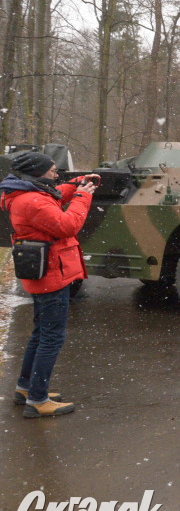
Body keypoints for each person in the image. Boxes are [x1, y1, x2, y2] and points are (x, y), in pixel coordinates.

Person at [0, 152, 97, 418]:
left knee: (40, 334)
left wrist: (76, 183)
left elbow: (53, 195)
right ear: (37, 173)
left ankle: (25, 388)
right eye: (53, 171)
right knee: (52, 338)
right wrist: (83, 196)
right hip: (52, 275)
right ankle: (38, 400)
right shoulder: (31, 201)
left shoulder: (24, 193)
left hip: (44, 273)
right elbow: (68, 225)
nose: (56, 175)